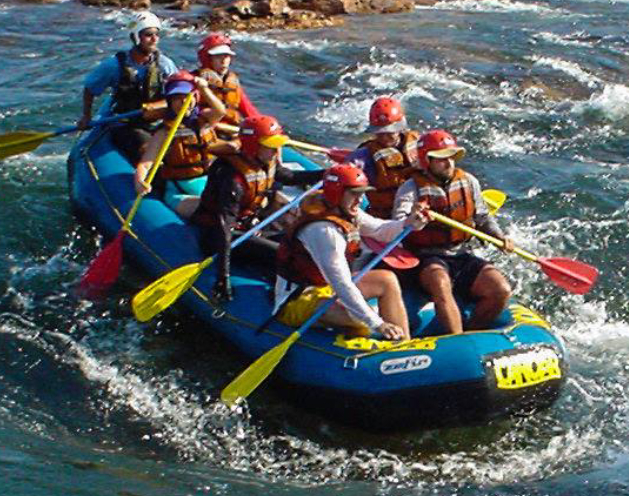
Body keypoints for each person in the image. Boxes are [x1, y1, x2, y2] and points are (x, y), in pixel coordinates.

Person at [274, 164, 429, 342]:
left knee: (387, 279)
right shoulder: (323, 231)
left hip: (326, 288)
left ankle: (403, 344)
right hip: (298, 299)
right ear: (337, 193)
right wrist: (378, 324)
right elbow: (341, 283)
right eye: (354, 194)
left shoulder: (346, 210)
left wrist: (408, 223)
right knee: (363, 320)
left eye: (362, 193)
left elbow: (380, 230)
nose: (360, 199)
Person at [391, 130, 513, 335]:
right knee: (441, 283)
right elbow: (398, 223)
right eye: (441, 159)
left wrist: (499, 237)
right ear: (427, 160)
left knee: (500, 289)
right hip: (425, 257)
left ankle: (471, 333)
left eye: (451, 157)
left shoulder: (468, 181)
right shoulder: (410, 188)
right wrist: (413, 218)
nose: (448, 163)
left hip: (461, 253)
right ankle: (456, 339)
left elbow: (482, 216)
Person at [197, 116, 325, 304]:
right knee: (283, 254)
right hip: (220, 236)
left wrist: (324, 174)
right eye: (270, 146)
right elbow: (223, 228)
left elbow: (288, 176)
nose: (275, 151)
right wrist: (223, 277)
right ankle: (281, 293)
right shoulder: (232, 178)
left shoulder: (265, 161)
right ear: (252, 145)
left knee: (302, 244)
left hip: (250, 227)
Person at [80, 11, 176, 161]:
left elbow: (177, 91)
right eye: (148, 34)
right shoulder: (114, 65)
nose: (154, 39)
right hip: (127, 123)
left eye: (157, 34)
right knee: (147, 150)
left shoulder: (165, 64)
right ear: (135, 37)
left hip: (157, 120)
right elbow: (90, 88)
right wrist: (86, 116)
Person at [134, 71, 228, 218]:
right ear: (170, 102)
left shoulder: (205, 119)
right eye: (177, 98)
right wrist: (140, 180)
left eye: (187, 97)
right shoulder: (164, 132)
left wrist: (204, 89)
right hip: (180, 193)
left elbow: (220, 111)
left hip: (208, 184)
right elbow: (146, 164)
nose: (183, 102)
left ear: (195, 98)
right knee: (211, 209)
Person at [353, 97, 420, 219]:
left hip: (420, 210)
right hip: (385, 219)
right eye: (379, 133)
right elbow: (345, 173)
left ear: (400, 128)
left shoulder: (419, 144)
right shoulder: (364, 155)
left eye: (389, 133)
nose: (384, 138)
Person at [193, 32, 260, 128]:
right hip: (208, 129)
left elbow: (249, 110)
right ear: (207, 58)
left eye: (226, 56)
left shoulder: (232, 82)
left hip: (232, 128)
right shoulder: (194, 80)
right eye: (218, 56)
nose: (223, 61)